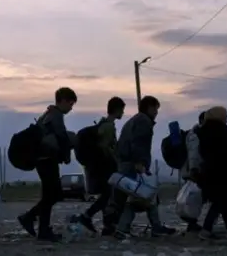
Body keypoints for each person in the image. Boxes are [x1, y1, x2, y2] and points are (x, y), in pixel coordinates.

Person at [17, 87, 77, 242]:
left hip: (44, 159)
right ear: (62, 100)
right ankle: (32, 220)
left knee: (51, 194)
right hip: (46, 159)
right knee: (53, 194)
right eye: (70, 104)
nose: (71, 108)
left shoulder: (48, 114)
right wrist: (67, 153)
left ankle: (40, 227)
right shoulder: (55, 115)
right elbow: (61, 136)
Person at [112, 96, 175, 240]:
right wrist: (140, 162)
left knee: (140, 197)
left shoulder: (134, 120)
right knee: (139, 197)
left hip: (126, 163)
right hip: (132, 165)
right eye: (155, 109)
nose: (156, 112)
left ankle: (154, 226)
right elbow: (139, 143)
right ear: (149, 107)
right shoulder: (143, 121)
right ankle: (125, 228)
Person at [77, 96, 125, 235]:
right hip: (105, 167)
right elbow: (105, 146)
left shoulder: (103, 124)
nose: (123, 113)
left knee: (107, 195)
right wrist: (115, 159)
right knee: (108, 195)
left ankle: (107, 226)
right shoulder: (109, 126)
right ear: (117, 109)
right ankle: (87, 216)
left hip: (100, 166)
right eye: (122, 110)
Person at [197, 106, 227, 240]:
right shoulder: (223, 131)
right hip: (222, 172)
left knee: (223, 201)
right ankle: (206, 230)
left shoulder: (203, 131)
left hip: (209, 172)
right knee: (220, 202)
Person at [179, 111, 205, 232]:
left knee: (194, 197)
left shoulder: (194, 133)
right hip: (193, 171)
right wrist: (194, 169)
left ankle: (192, 222)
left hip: (191, 170)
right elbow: (194, 153)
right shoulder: (196, 135)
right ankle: (192, 223)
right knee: (194, 197)